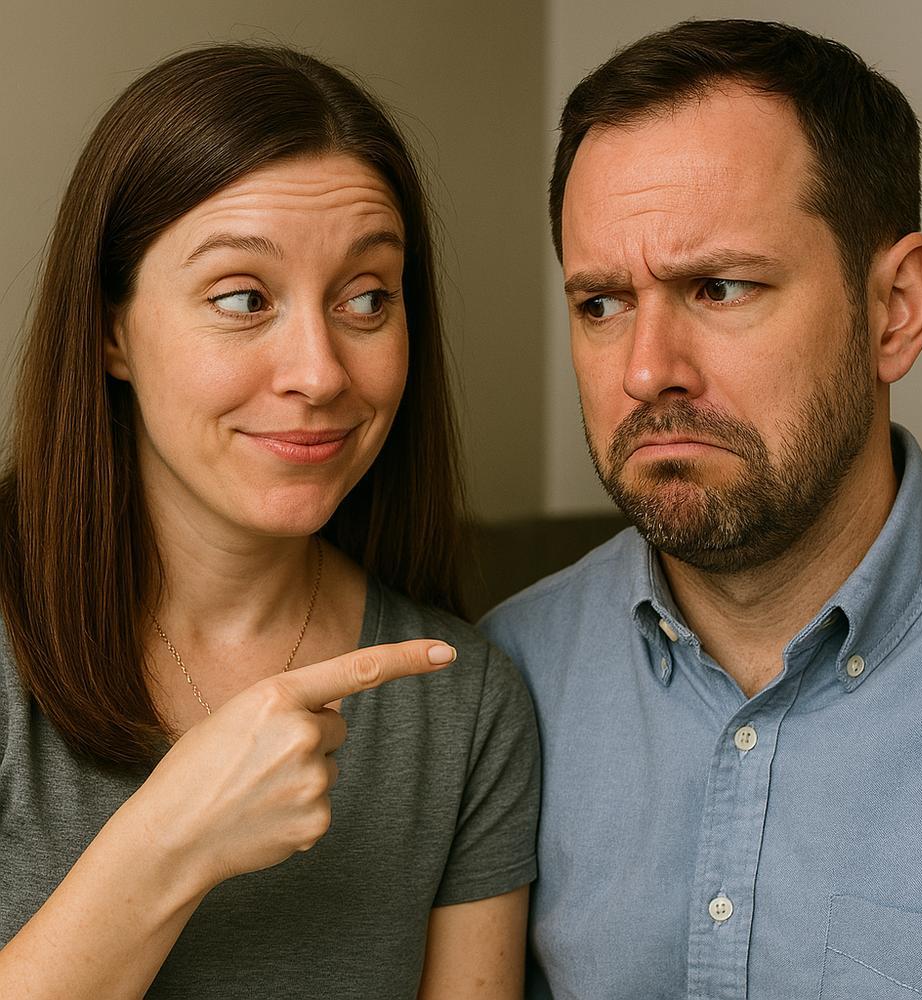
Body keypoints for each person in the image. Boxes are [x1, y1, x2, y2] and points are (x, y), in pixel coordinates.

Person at [0, 45, 538, 998]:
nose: (321, 371)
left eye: (367, 299)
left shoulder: (467, 705)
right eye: (243, 298)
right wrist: (174, 841)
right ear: (111, 329)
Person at [480, 18, 922, 999]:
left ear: (894, 308)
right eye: (600, 303)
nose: (644, 371)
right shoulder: (505, 681)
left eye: (717, 287)